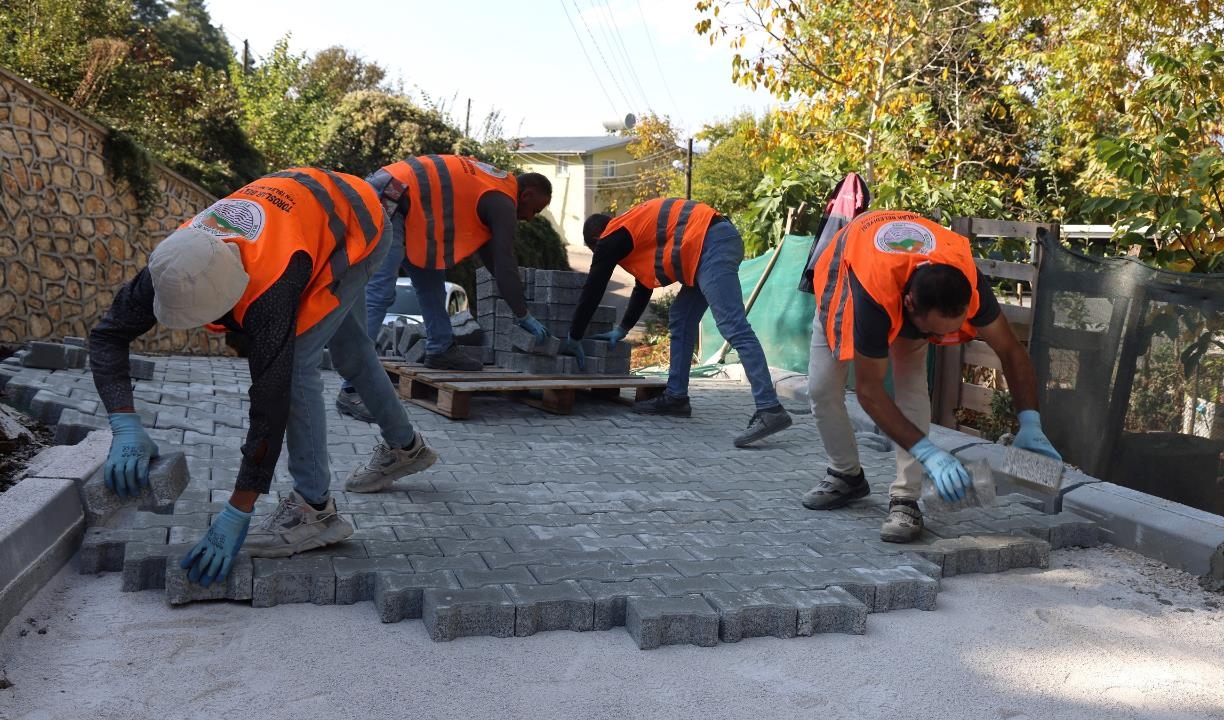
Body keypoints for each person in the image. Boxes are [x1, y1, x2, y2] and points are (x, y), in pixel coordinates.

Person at [89, 168, 439, 588]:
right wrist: (123, 423)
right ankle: (407, 448)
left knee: (297, 366)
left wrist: (239, 508)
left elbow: (270, 402)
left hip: (359, 225)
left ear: (235, 297)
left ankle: (315, 511)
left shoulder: (271, 290)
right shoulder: (173, 263)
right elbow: (108, 336)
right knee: (351, 348)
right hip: (312, 211)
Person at [802, 209, 1062, 543]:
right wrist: (930, 453)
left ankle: (905, 498)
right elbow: (869, 391)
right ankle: (846, 474)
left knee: (911, 387)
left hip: (906, 288)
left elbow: (1011, 350)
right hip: (848, 280)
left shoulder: (966, 281)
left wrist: (1030, 422)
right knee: (822, 389)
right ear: (909, 304)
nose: (940, 339)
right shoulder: (872, 293)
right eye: (933, 331)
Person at [335, 155, 553, 421]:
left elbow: (494, 262)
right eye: (535, 210)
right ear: (527, 194)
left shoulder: (494, 189)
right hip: (389, 198)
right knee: (380, 292)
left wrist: (519, 306)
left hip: (410, 207)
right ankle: (351, 388)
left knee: (431, 284)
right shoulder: (502, 200)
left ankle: (440, 349)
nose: (530, 218)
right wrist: (523, 315)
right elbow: (505, 264)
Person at [570, 198, 793, 448]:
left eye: (596, 252)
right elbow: (644, 284)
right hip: (706, 245)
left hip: (711, 244)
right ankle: (676, 397)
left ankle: (769, 408)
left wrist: (574, 336)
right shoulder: (633, 230)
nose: (603, 257)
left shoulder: (611, 236)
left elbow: (594, 287)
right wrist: (623, 329)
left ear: (596, 239)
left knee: (734, 326)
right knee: (681, 319)